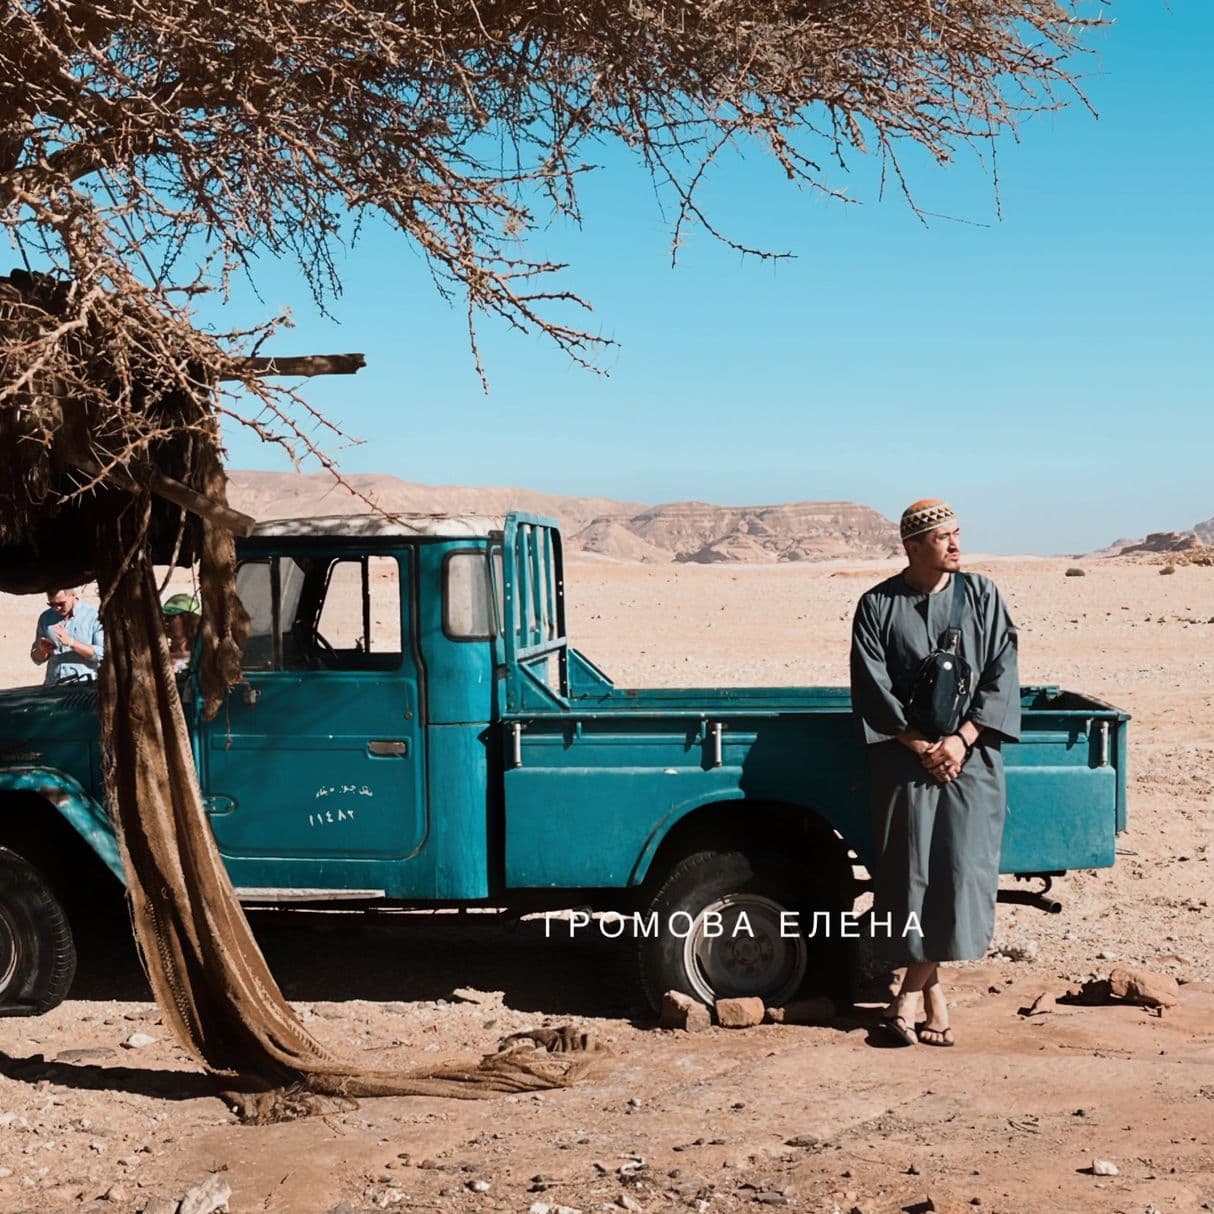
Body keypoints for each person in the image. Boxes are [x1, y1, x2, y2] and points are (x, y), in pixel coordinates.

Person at [849, 499, 1019, 1047]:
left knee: (959, 876)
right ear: (912, 547)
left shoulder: (983, 596)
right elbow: (871, 685)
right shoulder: (877, 606)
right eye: (943, 536)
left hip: (971, 763)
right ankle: (936, 1001)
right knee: (910, 879)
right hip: (906, 762)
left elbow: (1001, 671)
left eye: (957, 534)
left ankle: (905, 997)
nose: (955, 544)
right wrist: (923, 744)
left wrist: (961, 740)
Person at [30, 587, 105, 685]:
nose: (57, 608)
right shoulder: (46, 618)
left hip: (84, 685)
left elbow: (102, 654)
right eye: (52, 604)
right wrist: (42, 649)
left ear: (73, 596)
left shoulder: (93, 616)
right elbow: (36, 659)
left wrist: (71, 643)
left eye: (61, 604)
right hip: (53, 685)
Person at [162, 593, 201, 672]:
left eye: (171, 618)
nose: (165, 622)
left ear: (188, 620)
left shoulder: (202, 656)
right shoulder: (161, 656)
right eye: (164, 617)